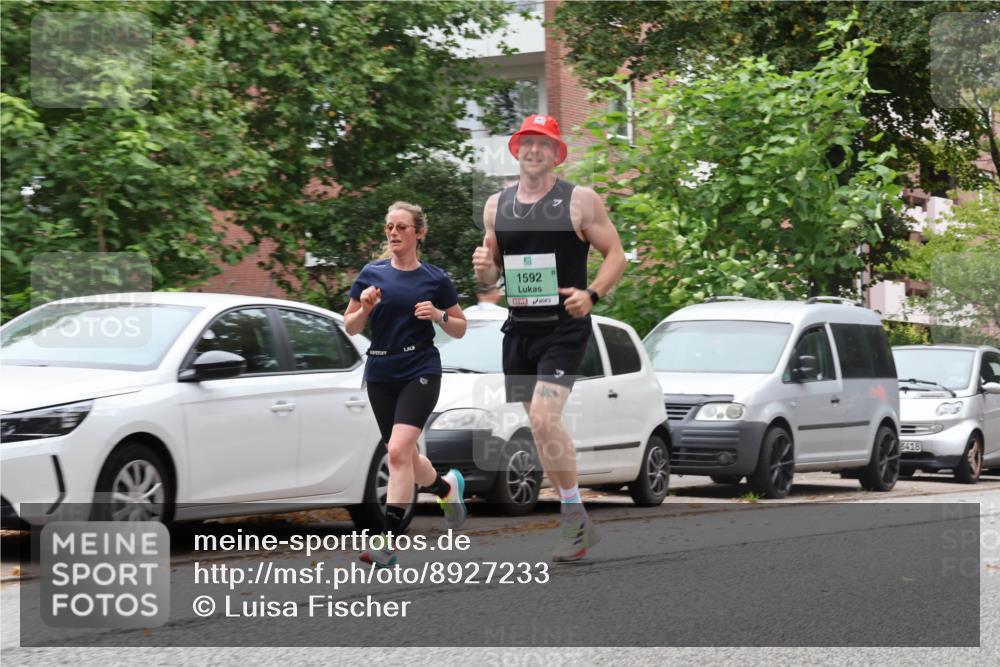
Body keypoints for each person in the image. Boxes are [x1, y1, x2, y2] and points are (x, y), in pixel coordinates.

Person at [472, 114, 627, 562]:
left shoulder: (579, 201)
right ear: (516, 150)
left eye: (544, 144)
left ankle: (573, 518)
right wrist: (484, 268)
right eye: (527, 143)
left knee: (543, 418)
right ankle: (575, 517)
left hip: (564, 327)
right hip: (519, 330)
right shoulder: (495, 206)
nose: (534, 151)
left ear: (556, 152)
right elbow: (491, 273)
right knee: (541, 431)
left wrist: (591, 293)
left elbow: (616, 254)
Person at [345, 201, 469, 567]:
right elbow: (349, 326)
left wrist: (439, 314)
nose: (394, 233)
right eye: (389, 227)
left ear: (419, 233)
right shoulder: (371, 274)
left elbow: (460, 328)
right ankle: (446, 488)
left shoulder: (435, 278)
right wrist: (365, 308)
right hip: (381, 372)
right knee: (407, 455)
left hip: (421, 368)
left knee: (397, 451)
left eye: (401, 227)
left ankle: (388, 542)